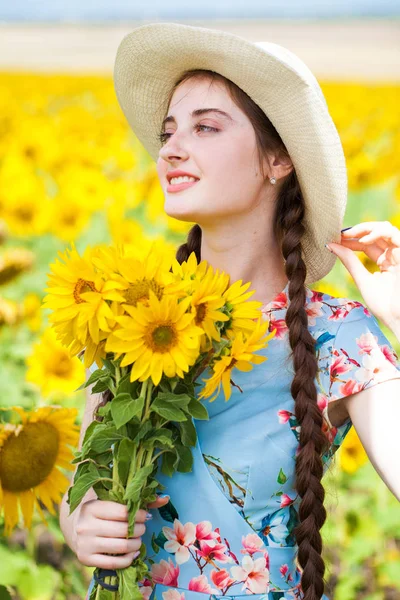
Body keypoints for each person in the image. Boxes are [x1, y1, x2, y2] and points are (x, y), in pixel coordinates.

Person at [59, 22, 400, 600]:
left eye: (206, 127)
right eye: (168, 132)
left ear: (278, 161)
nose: (170, 147)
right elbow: (85, 484)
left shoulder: (337, 335)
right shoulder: (132, 314)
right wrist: (83, 527)